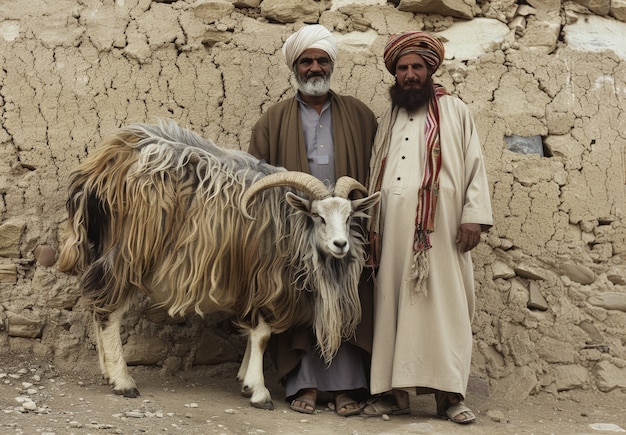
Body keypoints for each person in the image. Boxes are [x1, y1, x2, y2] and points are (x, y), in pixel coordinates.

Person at [361, 31, 493, 424]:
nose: (410, 74)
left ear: (431, 69)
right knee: (392, 313)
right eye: (402, 68)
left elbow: (475, 167)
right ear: (394, 73)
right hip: (393, 235)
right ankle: (393, 395)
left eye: (417, 66)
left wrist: (473, 216)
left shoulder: (455, 111)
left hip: (443, 231)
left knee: (444, 311)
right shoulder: (389, 117)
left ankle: (450, 398)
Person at [248, 24, 378, 417]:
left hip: (345, 229)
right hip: (296, 232)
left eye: (322, 60)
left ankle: (346, 387)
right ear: (295, 66)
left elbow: (377, 168)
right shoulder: (272, 120)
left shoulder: (359, 114)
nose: (315, 67)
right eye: (307, 61)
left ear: (332, 64)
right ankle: (303, 382)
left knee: (349, 297)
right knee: (300, 297)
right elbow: (256, 176)